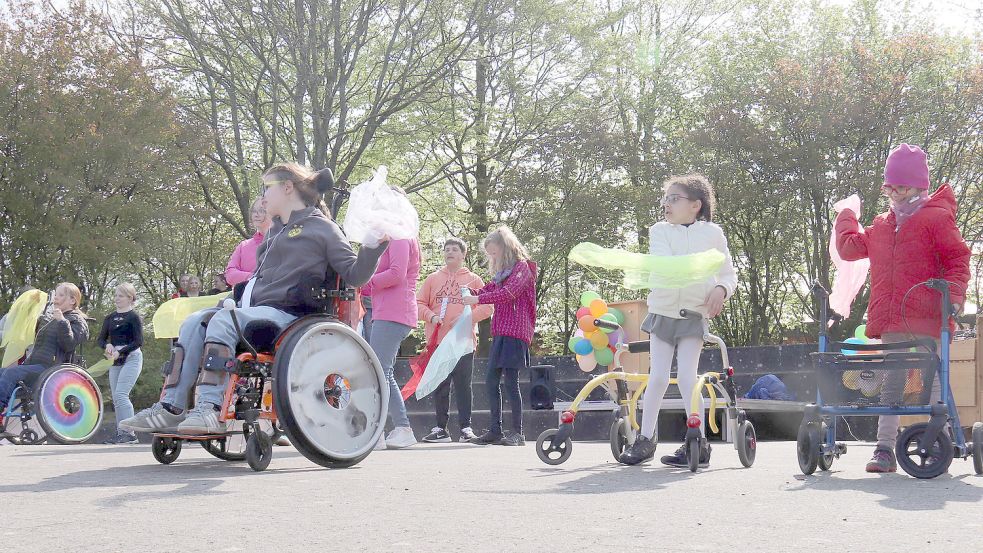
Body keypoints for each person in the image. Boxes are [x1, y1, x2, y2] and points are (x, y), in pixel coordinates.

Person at [120, 163, 388, 435]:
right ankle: (171, 407)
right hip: (259, 311)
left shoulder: (323, 229)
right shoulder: (274, 232)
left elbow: (356, 275)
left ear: (287, 188)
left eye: (267, 188)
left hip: (292, 317)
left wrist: (372, 246)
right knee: (192, 322)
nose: (263, 197)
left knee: (224, 321)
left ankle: (210, 408)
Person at [835, 144, 971, 473]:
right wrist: (846, 215)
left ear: (919, 186)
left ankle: (942, 438)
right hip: (893, 315)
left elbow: (957, 259)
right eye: (890, 186)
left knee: (934, 377)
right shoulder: (881, 224)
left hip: (929, 312)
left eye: (902, 187)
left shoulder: (936, 218)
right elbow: (850, 249)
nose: (895, 193)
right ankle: (884, 448)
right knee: (892, 381)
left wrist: (953, 294)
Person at [619, 174, 737, 467]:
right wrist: (694, 269)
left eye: (674, 199)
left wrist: (721, 290)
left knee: (687, 377)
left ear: (696, 205)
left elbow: (727, 273)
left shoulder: (713, 234)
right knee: (657, 377)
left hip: (693, 314)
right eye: (665, 199)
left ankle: (697, 441)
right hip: (662, 311)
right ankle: (645, 440)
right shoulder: (660, 231)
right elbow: (665, 265)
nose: (666, 204)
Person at [462, 226, 538, 446]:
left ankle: (517, 433)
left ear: (505, 249)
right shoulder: (502, 274)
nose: (492, 257)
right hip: (501, 331)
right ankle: (495, 430)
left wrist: (477, 300)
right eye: (490, 254)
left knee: (510, 382)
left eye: (494, 253)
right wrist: (470, 293)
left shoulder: (522, 268)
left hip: (516, 331)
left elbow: (508, 294)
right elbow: (488, 290)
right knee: (491, 379)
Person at [416, 237, 493, 443]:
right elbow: (418, 303)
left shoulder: (474, 280)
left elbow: (488, 306)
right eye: (447, 249)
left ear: (463, 254)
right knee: (440, 384)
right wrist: (431, 317)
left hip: (463, 341)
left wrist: (468, 318)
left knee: (463, 386)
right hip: (438, 341)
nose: (450, 252)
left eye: (454, 250)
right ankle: (440, 429)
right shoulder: (432, 279)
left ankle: (466, 428)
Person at [363, 234, 422, 450]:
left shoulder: (400, 236)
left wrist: (365, 279)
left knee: (378, 372)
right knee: (384, 372)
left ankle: (378, 430)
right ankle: (401, 428)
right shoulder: (391, 237)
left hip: (394, 312)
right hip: (387, 311)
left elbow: (397, 274)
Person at [0, 283, 90, 416]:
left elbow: (69, 344)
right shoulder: (52, 320)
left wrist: (62, 322)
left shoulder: (77, 320)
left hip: (52, 369)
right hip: (37, 366)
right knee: (3, 371)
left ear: (72, 300)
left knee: (11, 373)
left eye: (61, 295)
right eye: (56, 294)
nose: (56, 298)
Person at [97, 283, 144, 444]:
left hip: (131, 358)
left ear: (130, 298)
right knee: (116, 398)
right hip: (115, 360)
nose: (117, 298)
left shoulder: (134, 317)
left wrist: (121, 351)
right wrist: (107, 346)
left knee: (121, 395)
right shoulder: (109, 318)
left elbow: (138, 341)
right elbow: (101, 339)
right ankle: (121, 433)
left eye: (121, 296)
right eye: (116, 295)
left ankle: (129, 433)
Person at [226, 198, 271, 286]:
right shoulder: (243, 246)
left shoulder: (282, 240)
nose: (256, 215)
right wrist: (253, 277)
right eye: (254, 211)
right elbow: (230, 274)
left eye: (261, 211)